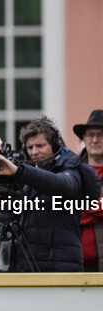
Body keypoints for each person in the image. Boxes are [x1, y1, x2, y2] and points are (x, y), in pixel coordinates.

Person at [0, 116, 101, 272]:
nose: (34, 152)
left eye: (40, 145)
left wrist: (19, 172)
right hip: (26, 265)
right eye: (30, 147)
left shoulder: (70, 166)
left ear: (55, 145)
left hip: (61, 267)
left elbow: (60, 185)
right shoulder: (26, 174)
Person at [73, 110, 103, 271]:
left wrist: (80, 207)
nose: (95, 140)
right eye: (91, 134)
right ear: (84, 139)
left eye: (100, 135)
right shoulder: (71, 171)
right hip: (74, 262)